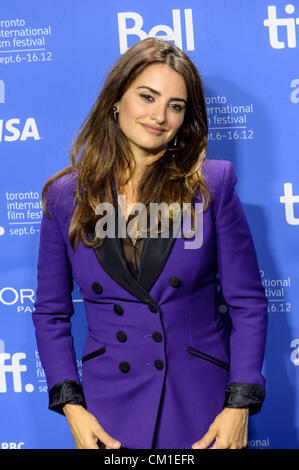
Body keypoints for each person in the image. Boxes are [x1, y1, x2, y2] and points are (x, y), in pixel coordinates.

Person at [32, 37, 268, 450]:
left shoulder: (212, 185)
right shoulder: (63, 195)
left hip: (201, 405)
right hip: (108, 412)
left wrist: (239, 406)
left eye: (175, 106)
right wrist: (72, 406)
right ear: (116, 100)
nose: (159, 115)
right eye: (147, 97)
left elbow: (247, 303)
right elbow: (50, 313)